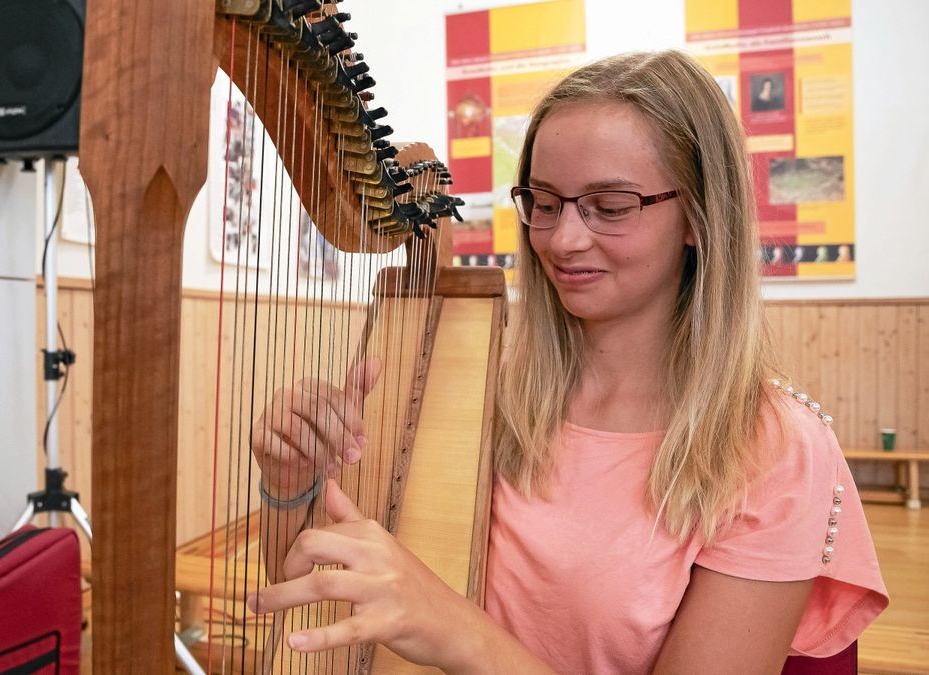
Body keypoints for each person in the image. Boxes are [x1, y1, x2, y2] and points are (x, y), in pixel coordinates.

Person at [248, 50, 887, 673]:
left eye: (610, 207)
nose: (563, 239)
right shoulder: (475, 386)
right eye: (545, 203)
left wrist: (452, 628)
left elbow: (428, 616)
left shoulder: (776, 448)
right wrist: (292, 483)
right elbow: (317, 597)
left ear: (698, 216)